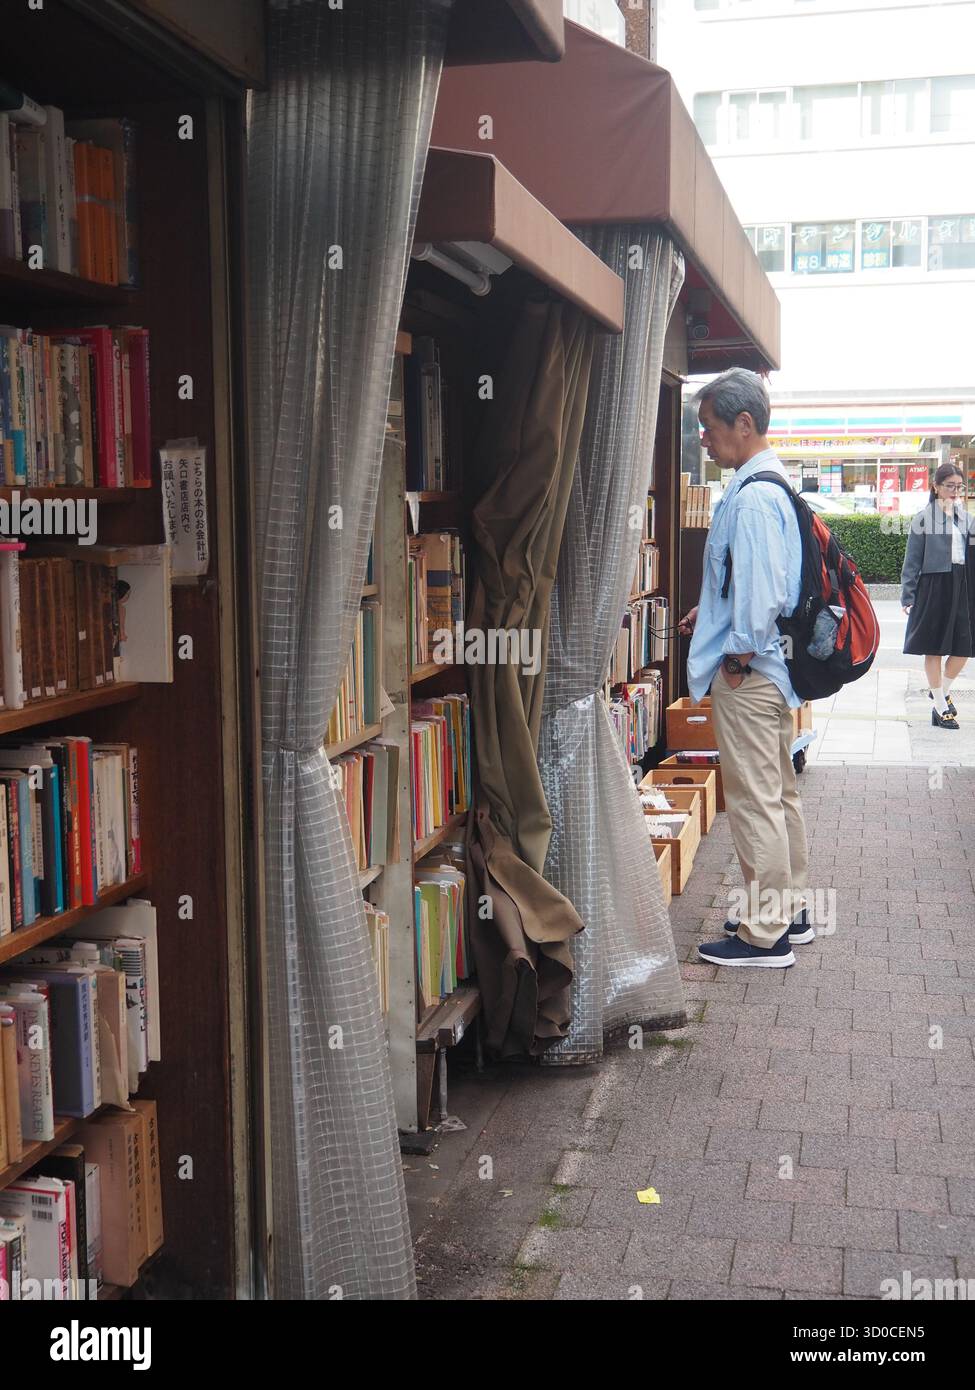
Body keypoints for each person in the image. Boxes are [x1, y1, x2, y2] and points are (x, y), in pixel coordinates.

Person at [678, 368, 810, 969]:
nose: (703, 437)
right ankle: (789, 909)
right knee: (777, 794)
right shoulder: (767, 484)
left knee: (755, 799)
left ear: (744, 423)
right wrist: (714, 613)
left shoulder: (753, 496)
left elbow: (761, 597)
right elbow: (754, 583)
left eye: (708, 426)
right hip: (768, 670)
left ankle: (765, 935)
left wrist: (733, 654)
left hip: (750, 672)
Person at [901, 461, 975, 730]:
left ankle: (939, 691)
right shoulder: (923, 519)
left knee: (964, 648)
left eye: (959, 486)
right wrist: (908, 595)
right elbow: (912, 561)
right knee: (934, 648)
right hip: (933, 586)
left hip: (962, 584)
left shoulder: (967, 519)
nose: (955, 491)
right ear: (936, 487)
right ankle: (941, 708)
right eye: (950, 486)